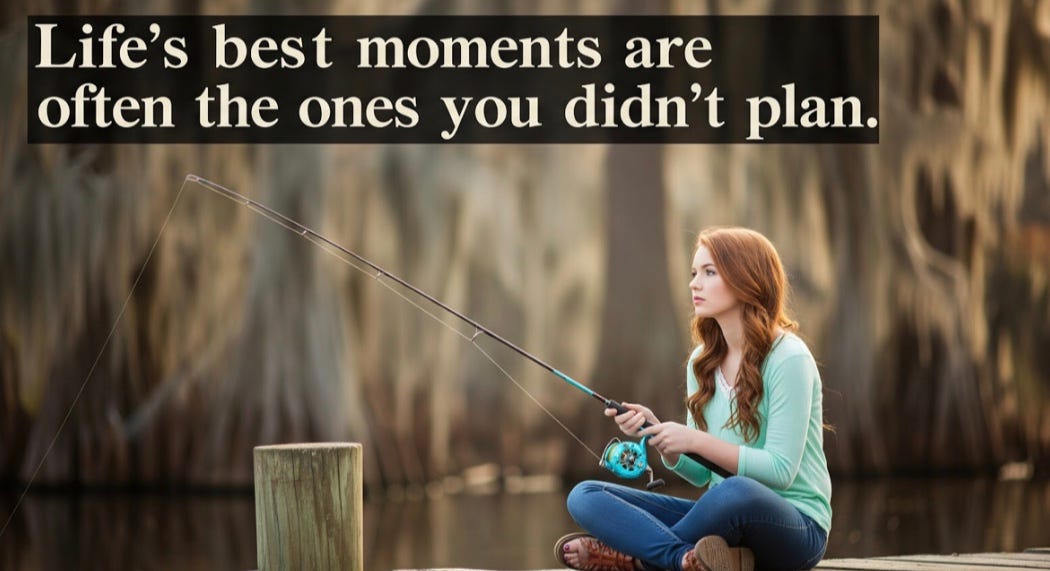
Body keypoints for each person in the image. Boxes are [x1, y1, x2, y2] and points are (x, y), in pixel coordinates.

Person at [555, 227, 832, 571]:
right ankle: (684, 559)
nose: (694, 284)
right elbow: (703, 476)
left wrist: (694, 439)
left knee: (735, 492)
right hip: (726, 519)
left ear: (746, 278)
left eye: (709, 272)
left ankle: (636, 559)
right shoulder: (702, 362)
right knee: (585, 496)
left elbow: (779, 472)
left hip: (796, 529)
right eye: (693, 273)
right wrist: (664, 441)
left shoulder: (788, 358)